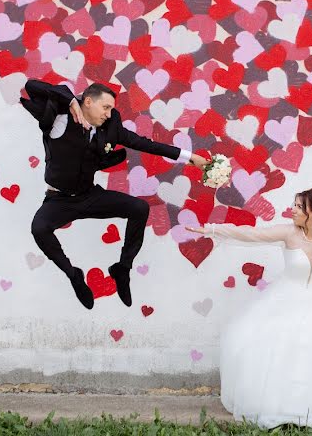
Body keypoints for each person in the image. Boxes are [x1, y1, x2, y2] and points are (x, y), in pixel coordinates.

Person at [186, 187, 312, 428]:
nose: (292, 210)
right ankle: (285, 405)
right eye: (293, 205)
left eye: (298, 207)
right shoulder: (288, 233)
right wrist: (211, 229)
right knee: (267, 342)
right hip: (287, 298)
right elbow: (251, 234)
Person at [21, 79, 208, 309]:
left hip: (89, 196)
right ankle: (74, 275)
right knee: (39, 229)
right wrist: (70, 100)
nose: (109, 114)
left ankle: (122, 269)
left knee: (140, 208)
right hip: (58, 200)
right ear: (88, 102)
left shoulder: (110, 128)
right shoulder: (60, 118)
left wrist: (190, 157)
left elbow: (146, 144)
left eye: (111, 109)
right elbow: (31, 86)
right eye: (105, 107)